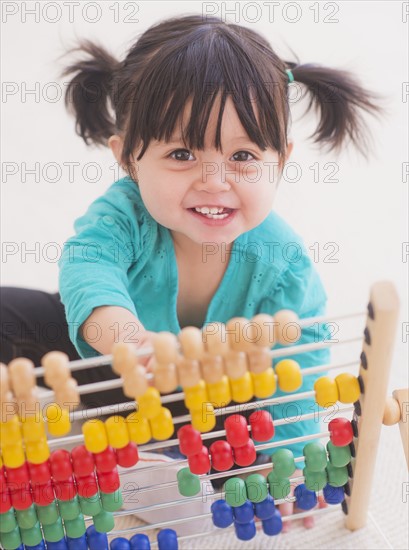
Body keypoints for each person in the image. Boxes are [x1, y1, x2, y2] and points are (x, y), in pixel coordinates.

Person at [1, 14, 384, 531]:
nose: (214, 181)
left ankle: (174, 470)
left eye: (244, 156)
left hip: (214, 401)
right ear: (128, 159)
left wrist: (286, 461)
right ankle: (145, 448)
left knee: (251, 430)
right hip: (114, 365)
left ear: (282, 162)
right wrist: (126, 340)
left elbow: (303, 360)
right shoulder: (125, 215)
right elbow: (88, 266)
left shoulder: (282, 262)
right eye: (182, 153)